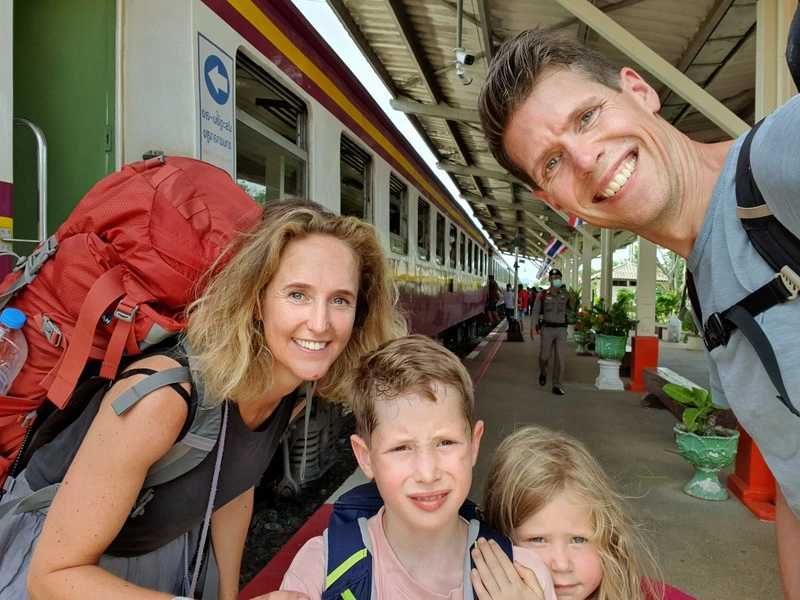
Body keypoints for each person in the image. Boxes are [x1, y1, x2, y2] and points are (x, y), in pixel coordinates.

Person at [477, 27, 800, 596]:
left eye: (587, 117)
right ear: (554, 203)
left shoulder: (780, 165)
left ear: (640, 91)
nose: (584, 157)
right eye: (551, 163)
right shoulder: (708, 298)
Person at [0, 198, 406, 599]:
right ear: (256, 300)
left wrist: (230, 593)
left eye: (340, 300)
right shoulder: (163, 396)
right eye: (297, 294)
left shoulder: (289, 390)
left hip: (158, 560)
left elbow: (235, 485)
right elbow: (52, 576)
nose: (320, 324)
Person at [280, 335, 557, 600]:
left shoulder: (523, 577)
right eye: (401, 448)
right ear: (365, 457)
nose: (428, 473)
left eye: (446, 442)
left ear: (474, 444)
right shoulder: (318, 570)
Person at [480, 425, 695, 600]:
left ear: (609, 540)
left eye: (579, 540)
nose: (562, 564)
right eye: (538, 539)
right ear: (498, 543)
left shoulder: (652, 596)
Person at [530, 268, 573, 395]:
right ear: (549, 279)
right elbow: (535, 312)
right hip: (547, 329)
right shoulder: (542, 295)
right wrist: (533, 328)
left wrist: (567, 316)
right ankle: (543, 372)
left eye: (559, 278)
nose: (557, 280)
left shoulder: (566, 294)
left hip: (561, 330)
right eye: (554, 278)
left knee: (560, 359)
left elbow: (571, 307)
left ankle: (556, 385)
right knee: (544, 357)